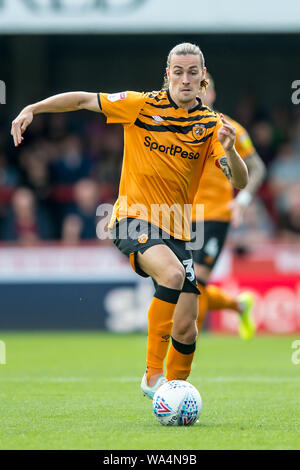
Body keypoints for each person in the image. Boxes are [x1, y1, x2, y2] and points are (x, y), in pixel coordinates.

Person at [11, 42, 248, 398]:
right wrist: (34, 108)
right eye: (178, 72)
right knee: (169, 274)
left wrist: (229, 149)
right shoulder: (141, 105)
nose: (185, 79)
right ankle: (153, 377)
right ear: (168, 74)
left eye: (192, 73)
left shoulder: (212, 126)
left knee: (187, 330)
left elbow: (240, 181)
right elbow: (83, 100)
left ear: (202, 81)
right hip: (130, 218)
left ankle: (175, 396)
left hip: (178, 229)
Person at [190, 74, 266, 339]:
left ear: (212, 95)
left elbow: (256, 167)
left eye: (203, 90)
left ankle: (185, 350)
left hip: (215, 215)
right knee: (179, 284)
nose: (198, 95)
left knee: (196, 281)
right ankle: (238, 305)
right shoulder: (174, 128)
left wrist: (241, 201)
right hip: (179, 215)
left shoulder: (229, 129)